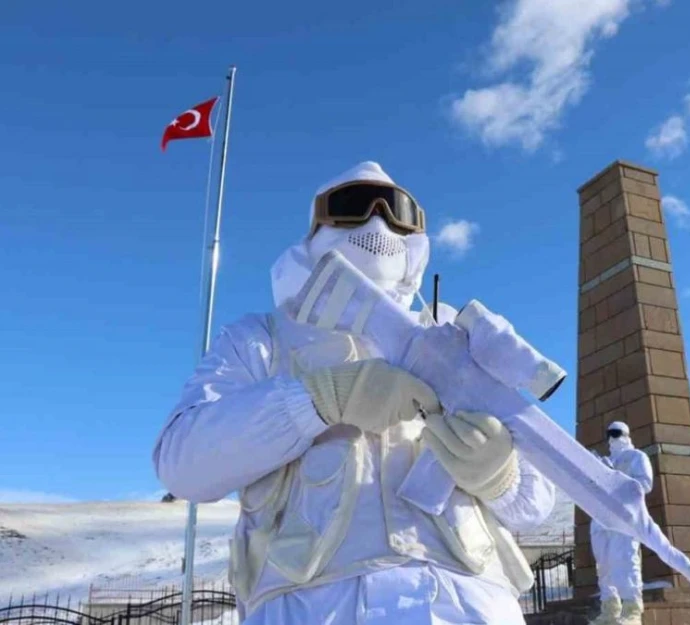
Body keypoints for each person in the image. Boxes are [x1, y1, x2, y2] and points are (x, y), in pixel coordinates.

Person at [153, 161, 556, 625]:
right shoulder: (261, 340)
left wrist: (500, 474)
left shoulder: (455, 334)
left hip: (466, 602)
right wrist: (320, 399)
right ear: (318, 226)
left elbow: (537, 502)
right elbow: (182, 464)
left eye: (398, 212)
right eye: (353, 207)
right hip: (309, 605)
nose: (378, 223)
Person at [588, 421, 653, 625]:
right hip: (601, 518)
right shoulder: (606, 459)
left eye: (616, 433)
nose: (612, 438)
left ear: (626, 434)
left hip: (624, 517)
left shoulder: (637, 457)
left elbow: (645, 484)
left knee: (624, 559)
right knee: (604, 565)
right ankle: (610, 609)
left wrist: (616, 478)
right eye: (609, 434)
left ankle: (632, 609)